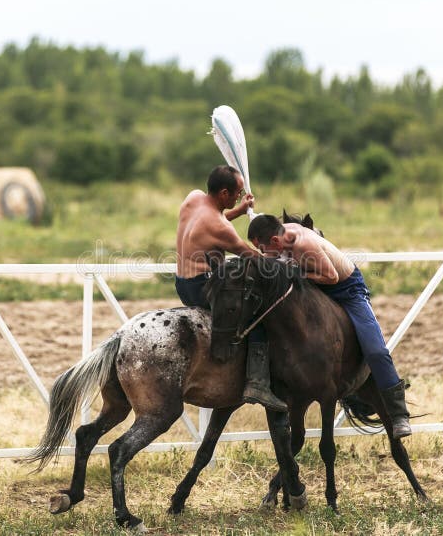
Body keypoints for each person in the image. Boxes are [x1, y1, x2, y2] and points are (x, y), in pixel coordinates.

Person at [247, 214, 412, 438]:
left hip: (346, 289)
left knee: (375, 350)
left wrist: (298, 272)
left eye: (263, 249)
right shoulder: (277, 232)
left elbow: (332, 277)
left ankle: (399, 414)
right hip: (316, 287)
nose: (263, 255)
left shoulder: (304, 245)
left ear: (275, 242)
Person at [175, 165, 287, 412]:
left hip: (181, 283)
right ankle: (257, 383)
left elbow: (212, 221)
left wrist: (240, 210)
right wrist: (284, 262)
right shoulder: (221, 228)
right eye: (236, 193)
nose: (239, 195)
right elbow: (251, 256)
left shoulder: (193, 199)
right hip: (202, 288)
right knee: (260, 315)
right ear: (223, 192)